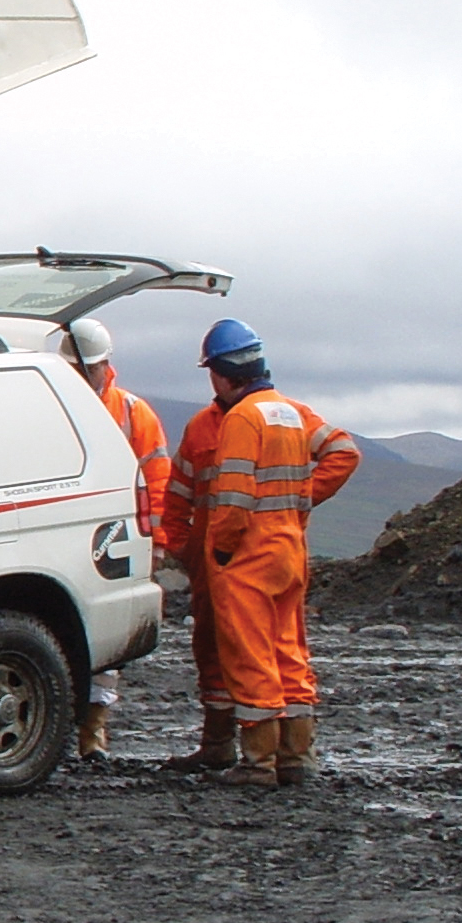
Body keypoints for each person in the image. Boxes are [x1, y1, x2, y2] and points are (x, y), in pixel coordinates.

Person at [159, 318, 357, 787]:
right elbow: (339, 452)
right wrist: (298, 500)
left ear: (222, 373)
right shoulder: (286, 412)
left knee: (249, 655)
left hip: (243, 555)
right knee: (287, 650)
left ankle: (259, 762)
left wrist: (221, 551)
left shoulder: (243, 419)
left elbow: (234, 498)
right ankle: (295, 757)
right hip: (286, 549)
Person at [65, 316, 169, 763]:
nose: (86, 377)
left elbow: (158, 478)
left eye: (91, 369)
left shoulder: (130, 412)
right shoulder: (56, 404)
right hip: (68, 535)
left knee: (107, 636)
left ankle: (94, 731)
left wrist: (156, 543)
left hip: (117, 536)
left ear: (106, 365)